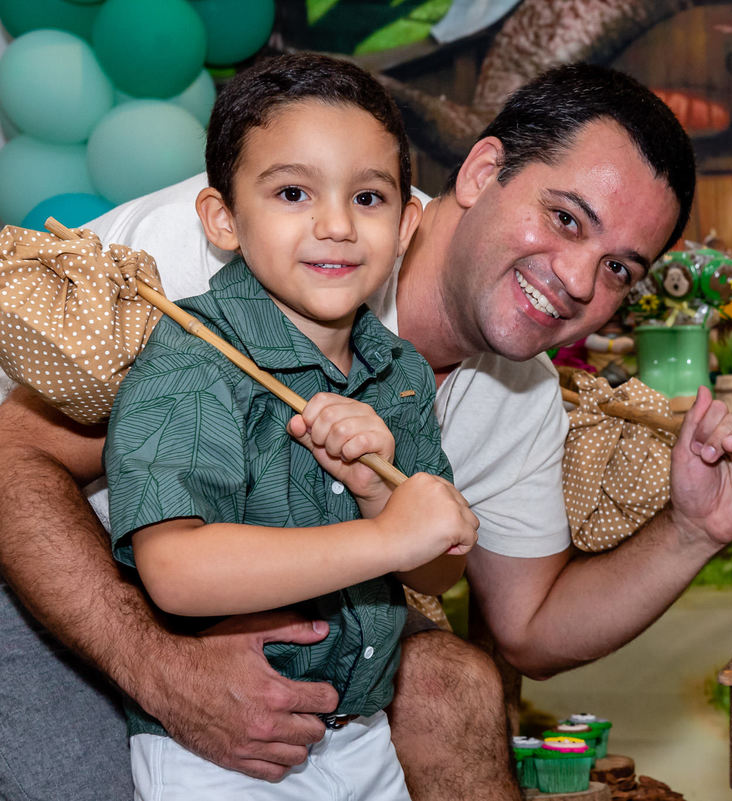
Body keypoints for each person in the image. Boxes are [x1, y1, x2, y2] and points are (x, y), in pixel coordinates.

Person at [0, 61, 732, 801]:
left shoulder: (514, 387)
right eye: (564, 218)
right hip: (44, 566)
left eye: (618, 270)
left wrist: (693, 531)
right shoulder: (236, 259)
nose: (576, 280)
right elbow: (14, 457)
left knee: (455, 682)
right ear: (480, 172)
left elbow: (530, 626)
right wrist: (161, 668)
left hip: (286, 630)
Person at [99, 52, 478, 797]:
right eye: (293, 191)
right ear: (223, 218)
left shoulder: (399, 371)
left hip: (363, 734)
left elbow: (440, 562)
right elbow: (174, 570)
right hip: (218, 752)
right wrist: (383, 536)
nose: (335, 225)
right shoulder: (191, 356)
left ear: (407, 225)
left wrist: (380, 494)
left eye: (368, 198)